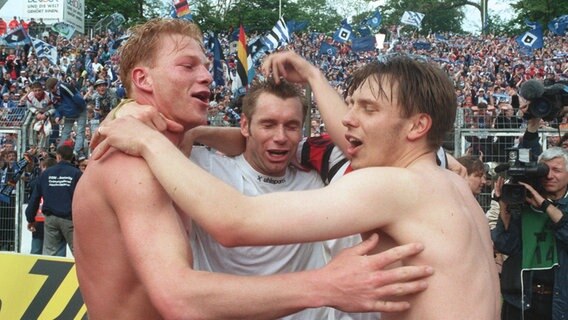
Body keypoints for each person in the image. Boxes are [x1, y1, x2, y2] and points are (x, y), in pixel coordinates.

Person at [94, 51, 501, 319]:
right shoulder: (453, 188)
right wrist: (311, 74)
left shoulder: (395, 187)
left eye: (368, 109)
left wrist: (145, 138)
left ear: (418, 126)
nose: (348, 121)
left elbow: (235, 221)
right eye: (352, 105)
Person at [492, 148, 568, 319]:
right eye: (545, 170)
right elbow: (506, 246)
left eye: (556, 170)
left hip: (559, 301)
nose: (549, 176)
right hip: (522, 300)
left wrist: (544, 205)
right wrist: (504, 208)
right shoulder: (524, 202)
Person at [25, 145, 81, 255]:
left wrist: (30, 218)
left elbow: (35, 198)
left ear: (58, 157)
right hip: (70, 219)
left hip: (51, 219)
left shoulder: (46, 173)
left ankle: (53, 272)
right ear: (72, 157)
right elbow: (84, 198)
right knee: (79, 254)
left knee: (51, 254)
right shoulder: (76, 174)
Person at [45, 77, 87, 158]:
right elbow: (57, 107)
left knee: (80, 131)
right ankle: (59, 151)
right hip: (68, 114)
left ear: (55, 85)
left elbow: (77, 97)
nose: (51, 90)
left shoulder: (65, 87)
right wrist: (58, 116)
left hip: (80, 110)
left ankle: (76, 151)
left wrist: (81, 108)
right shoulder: (52, 95)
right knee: (65, 132)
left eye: (52, 88)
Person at [25, 82, 54, 149]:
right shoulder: (30, 96)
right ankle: (32, 146)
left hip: (47, 113)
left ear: (42, 89)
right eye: (35, 90)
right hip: (36, 113)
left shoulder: (49, 96)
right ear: (32, 90)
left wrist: (46, 114)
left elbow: (54, 108)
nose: (37, 92)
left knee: (45, 129)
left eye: (39, 90)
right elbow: (29, 107)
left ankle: (42, 148)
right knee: (32, 126)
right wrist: (36, 112)